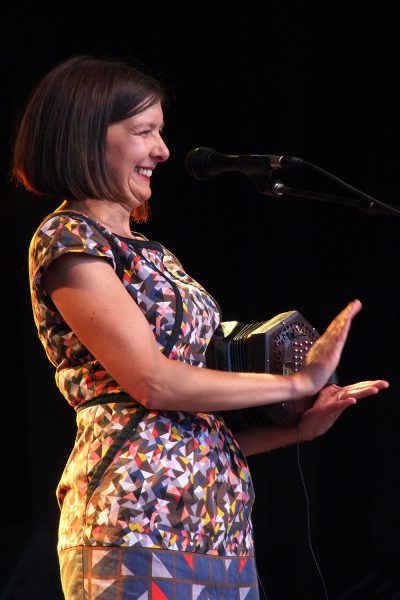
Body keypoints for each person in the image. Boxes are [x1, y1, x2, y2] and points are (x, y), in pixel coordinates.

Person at [12, 54, 389, 600]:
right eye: (144, 132)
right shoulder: (70, 240)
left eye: (160, 133)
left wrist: (297, 428)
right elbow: (154, 384)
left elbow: (194, 423)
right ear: (85, 136)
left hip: (218, 525)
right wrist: (295, 384)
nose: (162, 151)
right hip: (136, 521)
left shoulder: (155, 253)